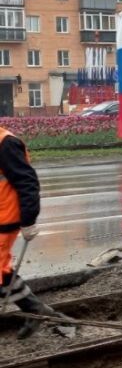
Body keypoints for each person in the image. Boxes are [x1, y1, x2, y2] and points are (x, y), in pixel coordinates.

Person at [0, 126, 66, 339]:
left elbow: (27, 181)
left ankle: (35, 309)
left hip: (5, 217)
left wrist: (28, 220)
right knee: (1, 270)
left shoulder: (6, 143)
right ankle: (34, 309)